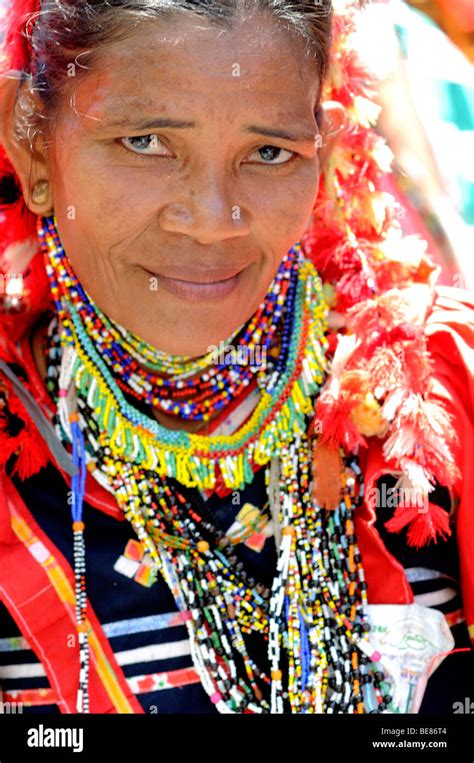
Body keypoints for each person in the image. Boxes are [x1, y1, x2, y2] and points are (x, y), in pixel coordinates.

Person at [0, 0, 472, 715]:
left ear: (325, 142)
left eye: (270, 151)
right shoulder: (17, 440)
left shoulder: (438, 390)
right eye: (147, 142)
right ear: (34, 142)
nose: (213, 220)